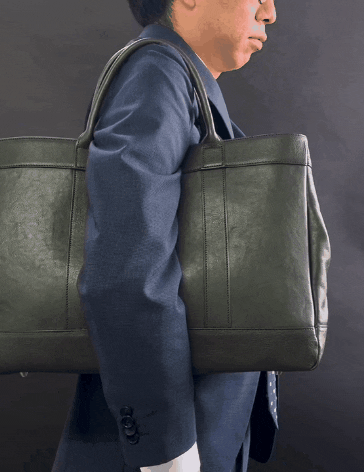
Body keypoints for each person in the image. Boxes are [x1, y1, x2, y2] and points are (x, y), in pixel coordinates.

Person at [51, 1, 278, 471]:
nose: (270, 11)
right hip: (167, 448)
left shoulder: (179, 79)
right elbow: (125, 268)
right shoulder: (156, 73)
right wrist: (167, 451)